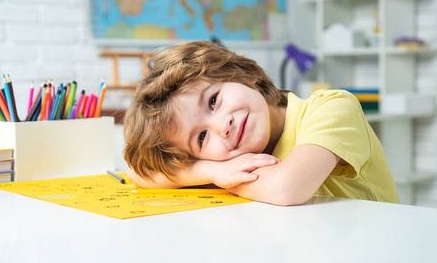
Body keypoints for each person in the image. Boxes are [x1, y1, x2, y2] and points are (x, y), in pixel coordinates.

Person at [123, 41, 399, 206]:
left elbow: (286, 187)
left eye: (213, 101)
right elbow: (138, 173)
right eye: (202, 138)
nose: (223, 126)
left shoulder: (331, 107)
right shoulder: (230, 164)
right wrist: (212, 171)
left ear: (242, 75)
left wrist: (220, 177)